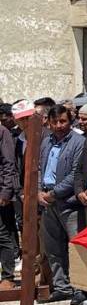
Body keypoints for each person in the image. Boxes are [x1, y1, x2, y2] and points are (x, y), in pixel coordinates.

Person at [37, 106, 84, 303]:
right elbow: (40, 167)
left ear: (70, 120)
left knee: (76, 246)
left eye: (63, 121)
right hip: (47, 200)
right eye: (55, 122)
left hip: (68, 202)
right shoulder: (46, 142)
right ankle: (61, 286)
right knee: (53, 247)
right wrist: (39, 191)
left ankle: (80, 288)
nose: (58, 126)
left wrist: (54, 194)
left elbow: (75, 173)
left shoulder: (78, 142)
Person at [0, 116, 17, 292]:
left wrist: (5, 191)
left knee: (3, 235)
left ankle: (7, 276)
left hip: (0, 193)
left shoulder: (2, 133)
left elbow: (8, 163)